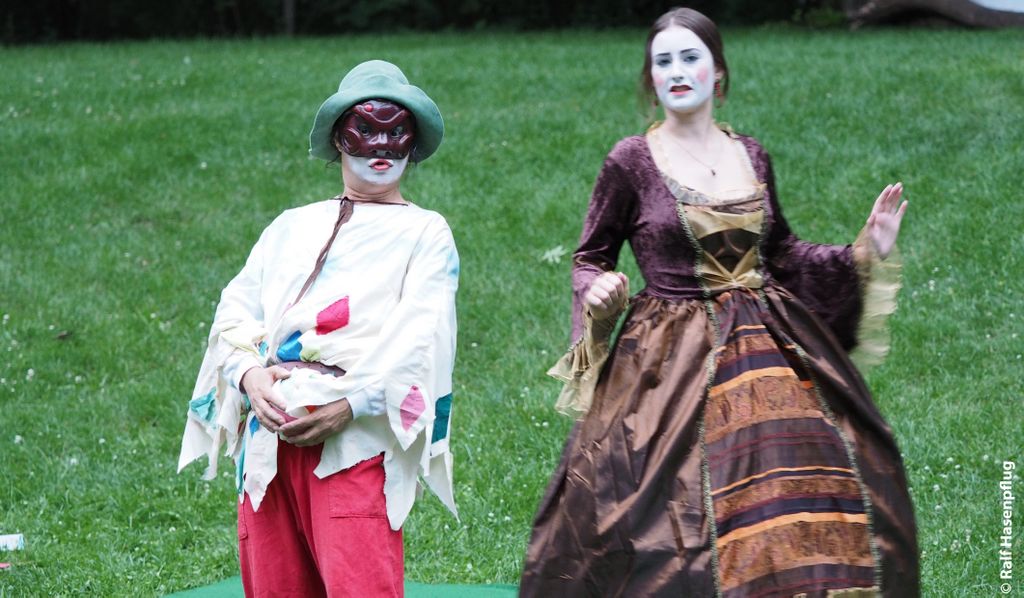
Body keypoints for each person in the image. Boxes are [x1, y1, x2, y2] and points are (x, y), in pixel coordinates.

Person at [520, 8, 918, 597]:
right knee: (654, 511)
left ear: (718, 71)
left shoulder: (750, 154)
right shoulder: (630, 161)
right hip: (664, 361)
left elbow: (781, 253)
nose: (677, 71)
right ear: (651, 78)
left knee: (803, 482)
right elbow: (589, 257)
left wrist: (863, 250)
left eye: (690, 57)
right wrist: (595, 289)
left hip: (767, 348)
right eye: (663, 62)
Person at [178, 60, 459, 597]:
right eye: (364, 129)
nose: (381, 146)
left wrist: (350, 405)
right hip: (269, 440)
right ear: (337, 138)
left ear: (414, 141)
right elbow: (235, 308)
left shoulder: (426, 233)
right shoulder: (290, 226)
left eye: (396, 131)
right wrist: (248, 375)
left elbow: (422, 336)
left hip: (353, 442)